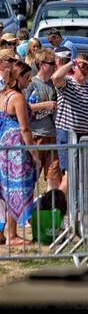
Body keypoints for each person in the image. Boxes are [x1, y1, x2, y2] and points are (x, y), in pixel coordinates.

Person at [52, 53, 88, 196]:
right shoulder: (67, 82)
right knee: (69, 175)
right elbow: (55, 78)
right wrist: (73, 61)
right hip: (66, 132)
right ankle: (56, 209)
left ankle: (72, 209)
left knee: (80, 175)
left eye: (87, 67)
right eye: (81, 66)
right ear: (75, 68)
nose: (84, 70)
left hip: (83, 134)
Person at [0, 61, 36, 246]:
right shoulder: (17, 98)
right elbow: (25, 129)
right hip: (16, 149)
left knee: (2, 192)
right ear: (17, 77)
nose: (29, 81)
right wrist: (33, 153)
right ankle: (12, 235)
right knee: (15, 190)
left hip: (2, 146)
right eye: (27, 77)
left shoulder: (2, 95)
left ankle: (1, 233)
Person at [25, 48, 62, 190]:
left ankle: (52, 210)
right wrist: (43, 105)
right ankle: (28, 209)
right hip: (36, 135)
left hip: (53, 136)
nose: (55, 67)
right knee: (32, 178)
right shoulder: (31, 83)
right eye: (52, 63)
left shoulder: (55, 84)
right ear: (42, 64)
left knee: (53, 178)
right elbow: (24, 107)